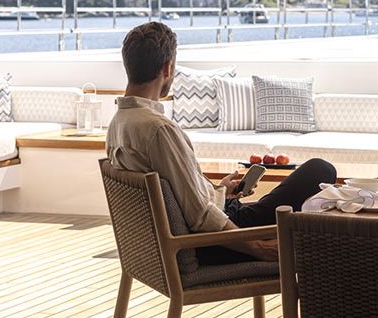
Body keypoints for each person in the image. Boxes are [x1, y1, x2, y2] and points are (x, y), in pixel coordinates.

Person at [106, 21, 336, 264]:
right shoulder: (158, 130)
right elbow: (200, 217)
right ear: (167, 68)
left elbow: (183, 197)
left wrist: (219, 192)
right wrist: (257, 247)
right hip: (209, 242)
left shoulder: (118, 123)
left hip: (184, 237)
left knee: (308, 184)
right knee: (320, 171)